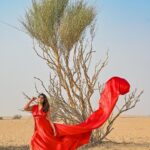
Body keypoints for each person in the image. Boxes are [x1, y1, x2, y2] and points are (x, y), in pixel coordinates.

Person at [23, 76, 130, 150]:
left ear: (44, 99)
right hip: (38, 129)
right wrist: (31, 100)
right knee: (34, 141)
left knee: (51, 143)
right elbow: (25, 108)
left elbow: (49, 119)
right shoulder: (34, 107)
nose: (40, 98)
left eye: (41, 97)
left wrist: (54, 129)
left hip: (47, 129)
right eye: (39, 97)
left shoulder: (46, 108)